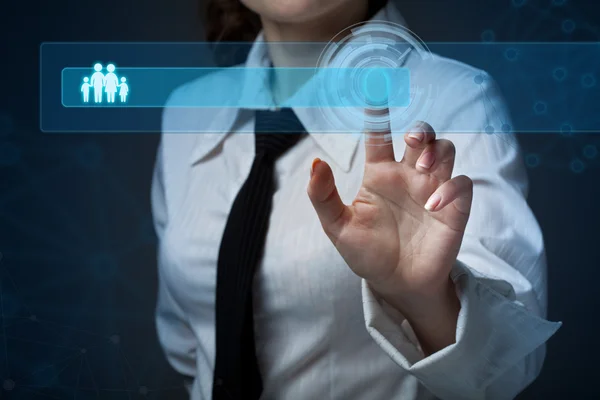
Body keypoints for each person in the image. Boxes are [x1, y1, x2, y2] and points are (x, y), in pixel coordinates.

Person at [152, 1, 561, 399]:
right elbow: (189, 344)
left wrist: (425, 298)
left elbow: (502, 371)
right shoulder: (186, 112)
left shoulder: (453, 99)